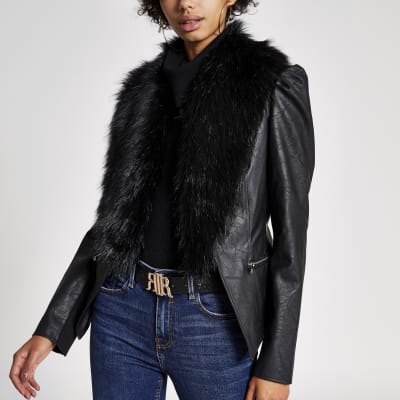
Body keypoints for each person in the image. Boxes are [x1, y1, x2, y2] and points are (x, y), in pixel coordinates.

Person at [9, 1, 315, 399]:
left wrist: (277, 364)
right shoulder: (141, 89)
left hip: (214, 319)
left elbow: (292, 238)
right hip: (121, 310)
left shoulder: (272, 85)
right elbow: (113, 225)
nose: (185, 3)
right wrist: (52, 326)